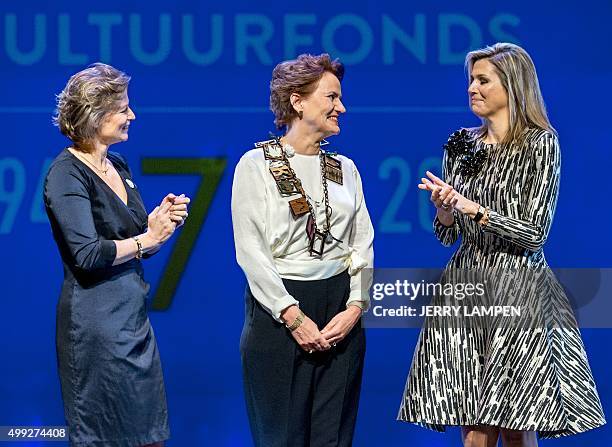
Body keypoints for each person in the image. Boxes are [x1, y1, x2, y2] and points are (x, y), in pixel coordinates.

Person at [398, 43, 606, 446]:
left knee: (516, 420)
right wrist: (444, 211)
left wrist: (474, 209)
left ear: (512, 85)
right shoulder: (460, 144)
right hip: (467, 287)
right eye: (470, 81)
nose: (472, 89)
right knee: (474, 424)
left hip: (519, 287)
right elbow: (447, 235)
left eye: (482, 80)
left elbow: (535, 233)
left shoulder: (540, 144)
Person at [231, 53, 374, 447]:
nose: (341, 107)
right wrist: (292, 316)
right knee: (284, 438)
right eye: (331, 97)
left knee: (334, 439)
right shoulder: (255, 165)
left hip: (341, 314)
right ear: (298, 101)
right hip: (279, 316)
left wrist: (355, 307)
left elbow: (362, 243)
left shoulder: (345, 168)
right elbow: (251, 251)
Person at [44, 63, 190, 446]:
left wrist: (159, 224)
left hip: (134, 321)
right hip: (96, 328)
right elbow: (88, 253)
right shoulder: (66, 174)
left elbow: (134, 242)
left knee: (150, 437)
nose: (132, 115)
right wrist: (147, 239)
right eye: (123, 108)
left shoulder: (118, 165)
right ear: (95, 113)